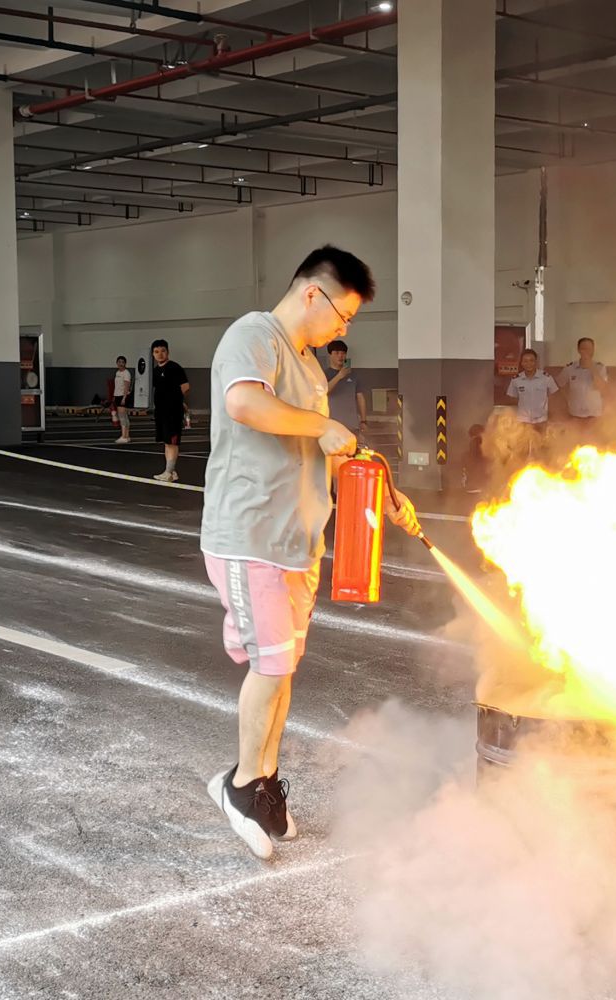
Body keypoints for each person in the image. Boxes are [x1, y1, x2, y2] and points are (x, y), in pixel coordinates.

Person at [201, 245, 419, 860]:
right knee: (271, 665)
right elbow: (244, 402)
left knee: (284, 667)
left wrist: (385, 489)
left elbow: (327, 452)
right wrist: (320, 425)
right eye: (343, 316)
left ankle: (264, 779)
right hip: (252, 534)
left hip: (298, 542)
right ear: (312, 294)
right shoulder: (255, 335)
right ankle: (239, 787)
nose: (341, 329)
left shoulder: (310, 370)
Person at [149, 339, 190, 482]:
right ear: (153, 354)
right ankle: (171, 472)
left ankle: (168, 472)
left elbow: (185, 387)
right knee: (166, 442)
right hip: (160, 411)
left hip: (172, 412)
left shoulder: (174, 367)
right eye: (156, 352)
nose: (160, 354)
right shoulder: (155, 371)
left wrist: (177, 401)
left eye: (163, 351)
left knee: (172, 442)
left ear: (168, 352)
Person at [320, 338, 369, 441]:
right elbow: (323, 392)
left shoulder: (354, 375)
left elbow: (360, 397)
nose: (340, 356)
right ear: (330, 355)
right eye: (337, 353)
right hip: (331, 425)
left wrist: (363, 420)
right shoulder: (323, 374)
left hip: (352, 425)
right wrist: (339, 376)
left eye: (343, 353)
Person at [557, 337, 608, 424]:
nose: (587, 352)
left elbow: (602, 387)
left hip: (594, 416)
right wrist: (567, 399)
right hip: (575, 415)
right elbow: (559, 385)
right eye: (584, 349)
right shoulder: (570, 368)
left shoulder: (600, 368)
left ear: (593, 350)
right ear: (578, 350)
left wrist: (592, 368)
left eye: (589, 349)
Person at [507, 348, 559, 432]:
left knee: (541, 440)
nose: (529, 364)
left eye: (531, 360)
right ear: (521, 363)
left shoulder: (546, 378)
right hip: (523, 421)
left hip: (541, 421)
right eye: (525, 361)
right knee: (523, 441)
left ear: (536, 362)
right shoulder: (516, 380)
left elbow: (554, 395)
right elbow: (512, 398)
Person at [112, 355, 133, 445]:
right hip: (117, 396)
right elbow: (117, 386)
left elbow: (127, 386)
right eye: (119, 362)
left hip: (123, 396)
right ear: (117, 363)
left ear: (125, 363)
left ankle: (124, 436)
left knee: (122, 417)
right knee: (124, 416)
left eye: (122, 362)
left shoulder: (126, 373)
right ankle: (127, 436)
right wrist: (114, 396)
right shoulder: (117, 373)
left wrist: (124, 398)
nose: (121, 364)